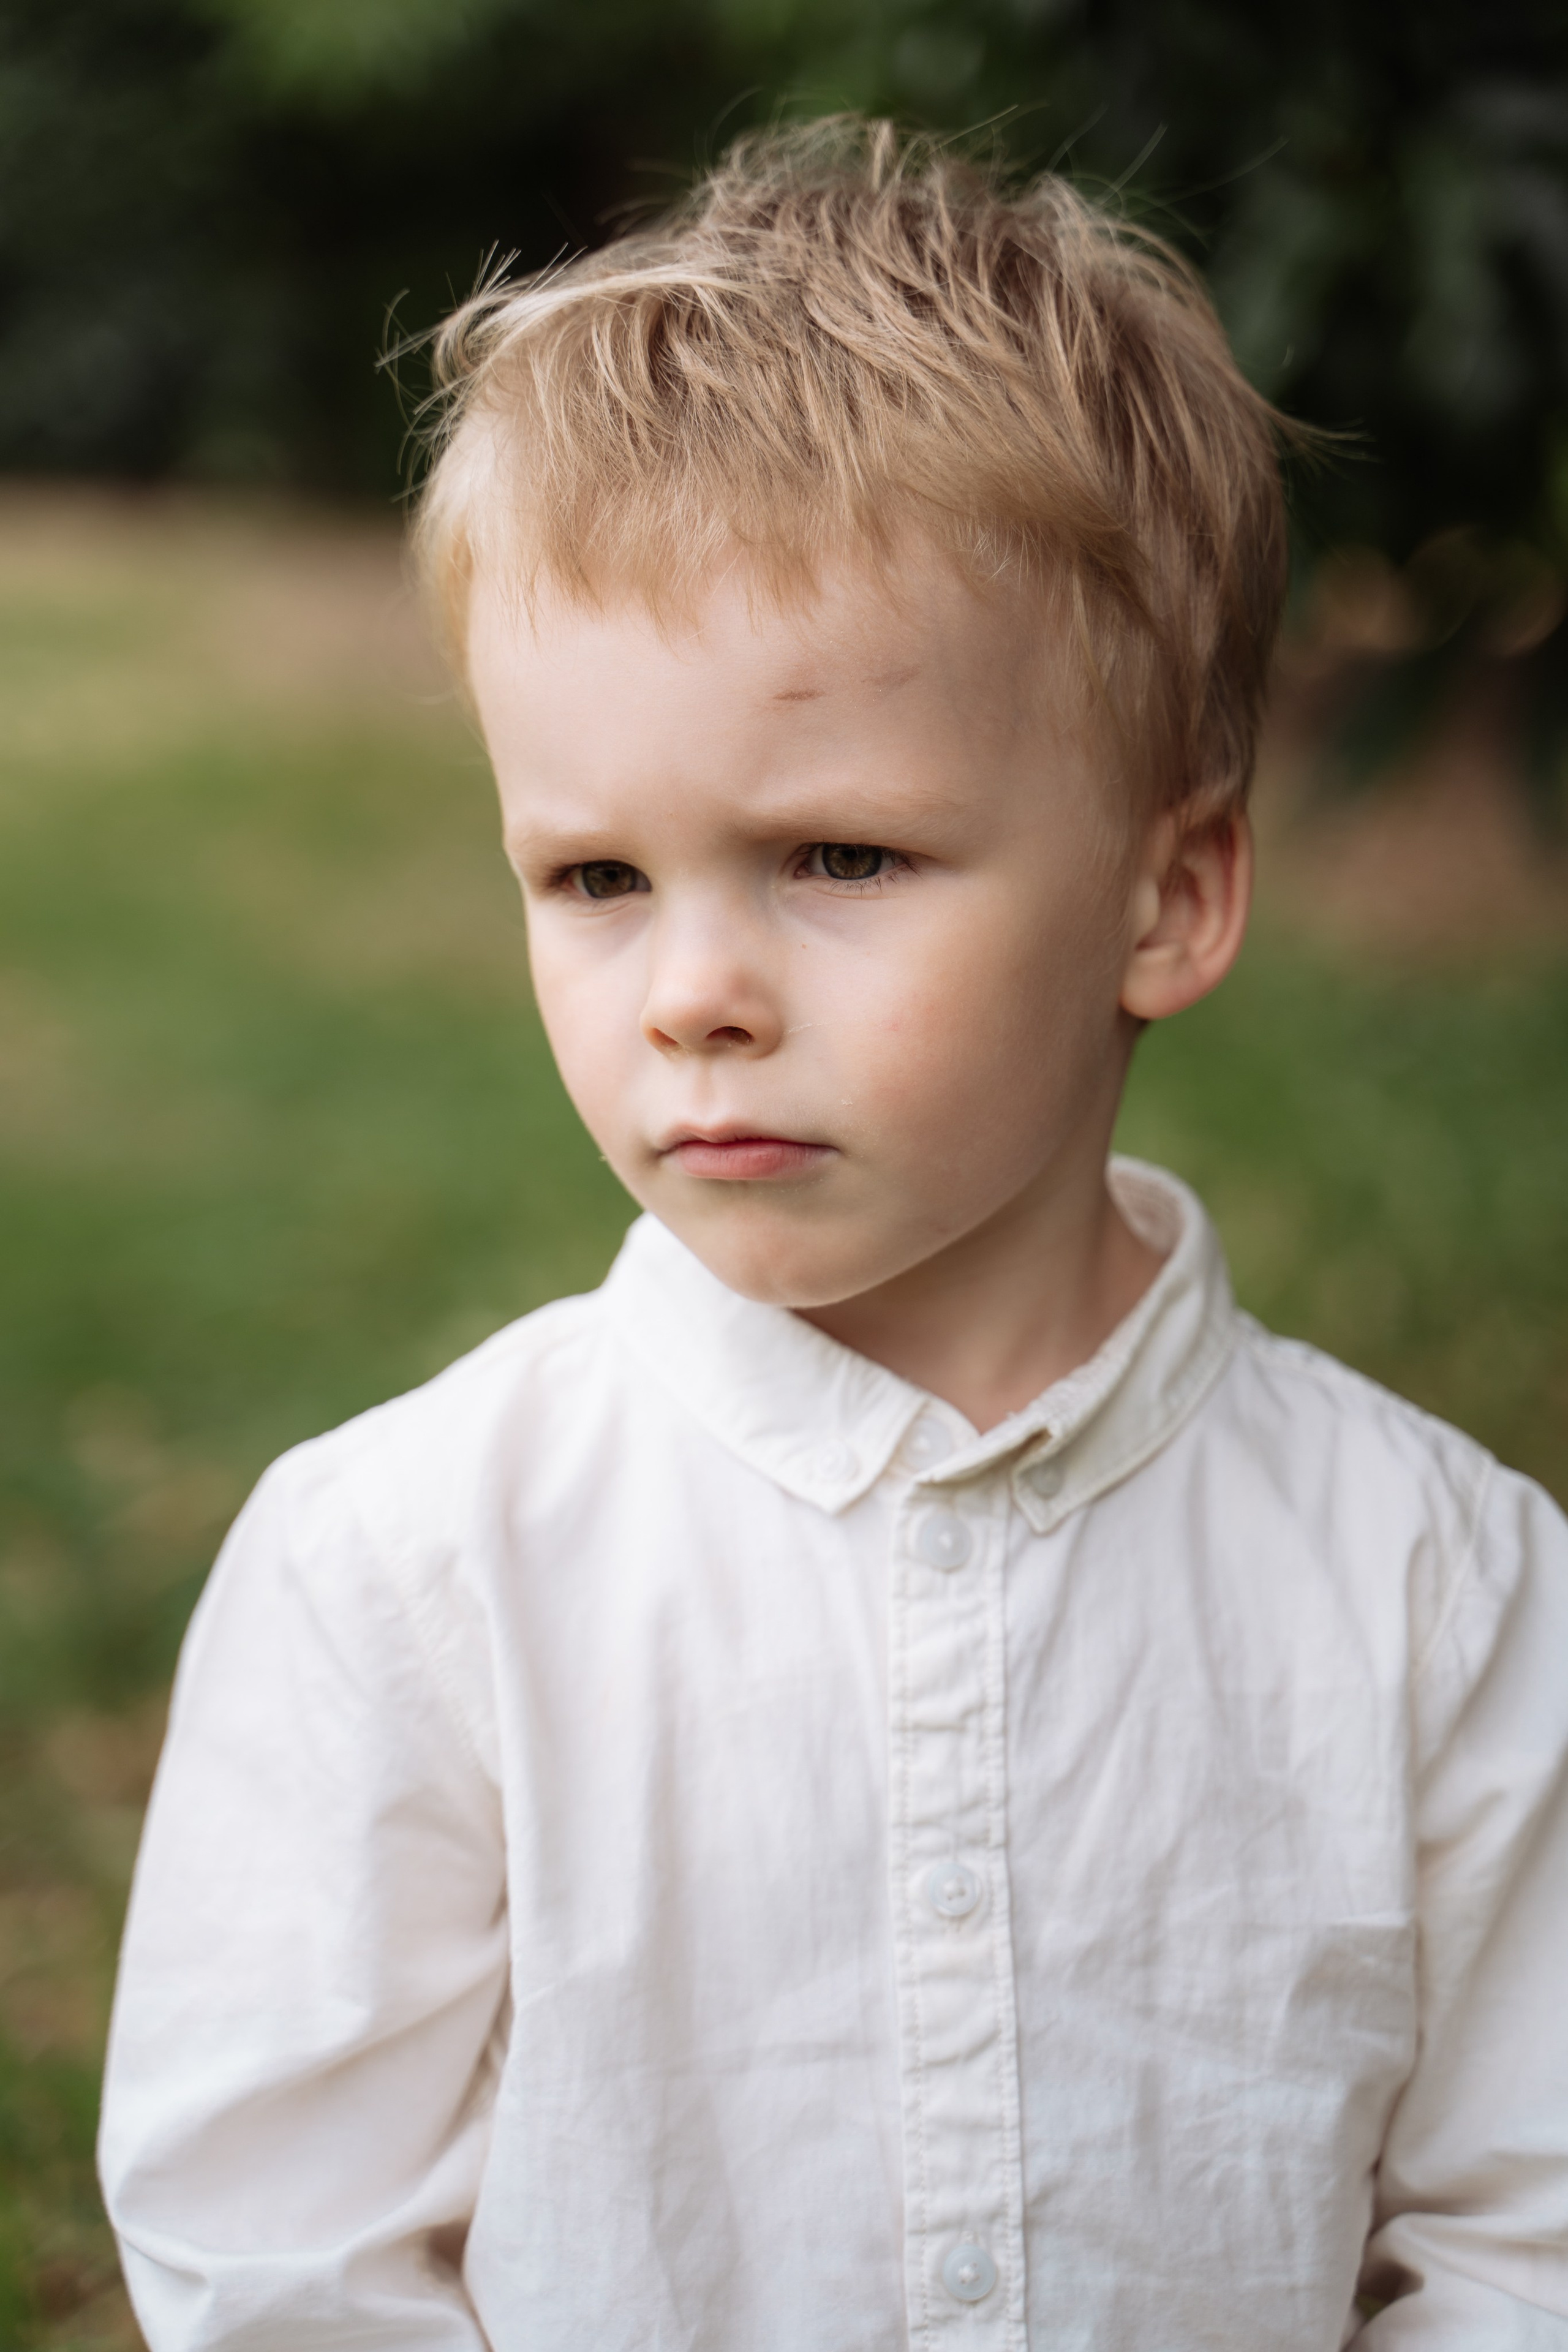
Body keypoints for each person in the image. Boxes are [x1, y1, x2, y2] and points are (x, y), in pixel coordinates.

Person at [99, 119, 1568, 2350]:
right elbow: (276, 2253)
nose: (693, 987)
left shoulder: (1439, 1593)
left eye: (841, 858)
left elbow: (1521, 2236)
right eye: (597, 879)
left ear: (1168, 896)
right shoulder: (407, 1570)